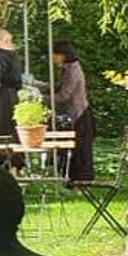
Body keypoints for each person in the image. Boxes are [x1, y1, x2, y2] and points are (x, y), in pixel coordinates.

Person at [51, 41, 95, 182]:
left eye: (54, 55)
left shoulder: (72, 70)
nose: (52, 58)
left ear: (62, 55)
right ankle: (71, 179)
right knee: (75, 149)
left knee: (80, 150)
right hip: (73, 114)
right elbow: (58, 86)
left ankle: (81, 181)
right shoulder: (68, 68)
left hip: (79, 115)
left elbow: (63, 95)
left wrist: (40, 98)